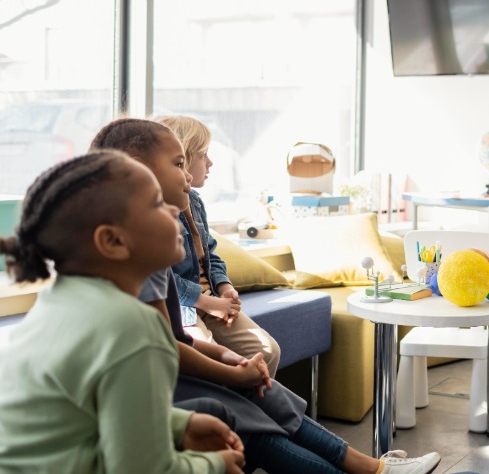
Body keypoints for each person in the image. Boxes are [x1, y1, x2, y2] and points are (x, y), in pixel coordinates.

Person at [91, 118, 441, 474]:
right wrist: (231, 370)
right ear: (140, 174)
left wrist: (229, 349)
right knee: (248, 405)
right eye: (180, 164)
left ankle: (373, 469)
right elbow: (167, 349)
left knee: (265, 386)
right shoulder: (138, 255)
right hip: (153, 381)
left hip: (172, 361)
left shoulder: (167, 229)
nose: (193, 174)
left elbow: (175, 330)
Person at [0, 151, 245, 473]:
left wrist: (178, 424)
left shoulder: (58, 302)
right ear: (113, 241)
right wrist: (214, 464)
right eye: (157, 203)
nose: (174, 209)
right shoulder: (132, 326)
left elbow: (80, 408)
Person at [151, 114, 281, 378]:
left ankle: (251, 413)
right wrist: (204, 301)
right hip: (187, 306)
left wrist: (224, 286)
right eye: (203, 155)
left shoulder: (195, 201)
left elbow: (209, 252)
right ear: (183, 159)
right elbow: (159, 277)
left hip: (211, 300)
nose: (210, 163)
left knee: (267, 350)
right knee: (208, 359)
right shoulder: (154, 210)